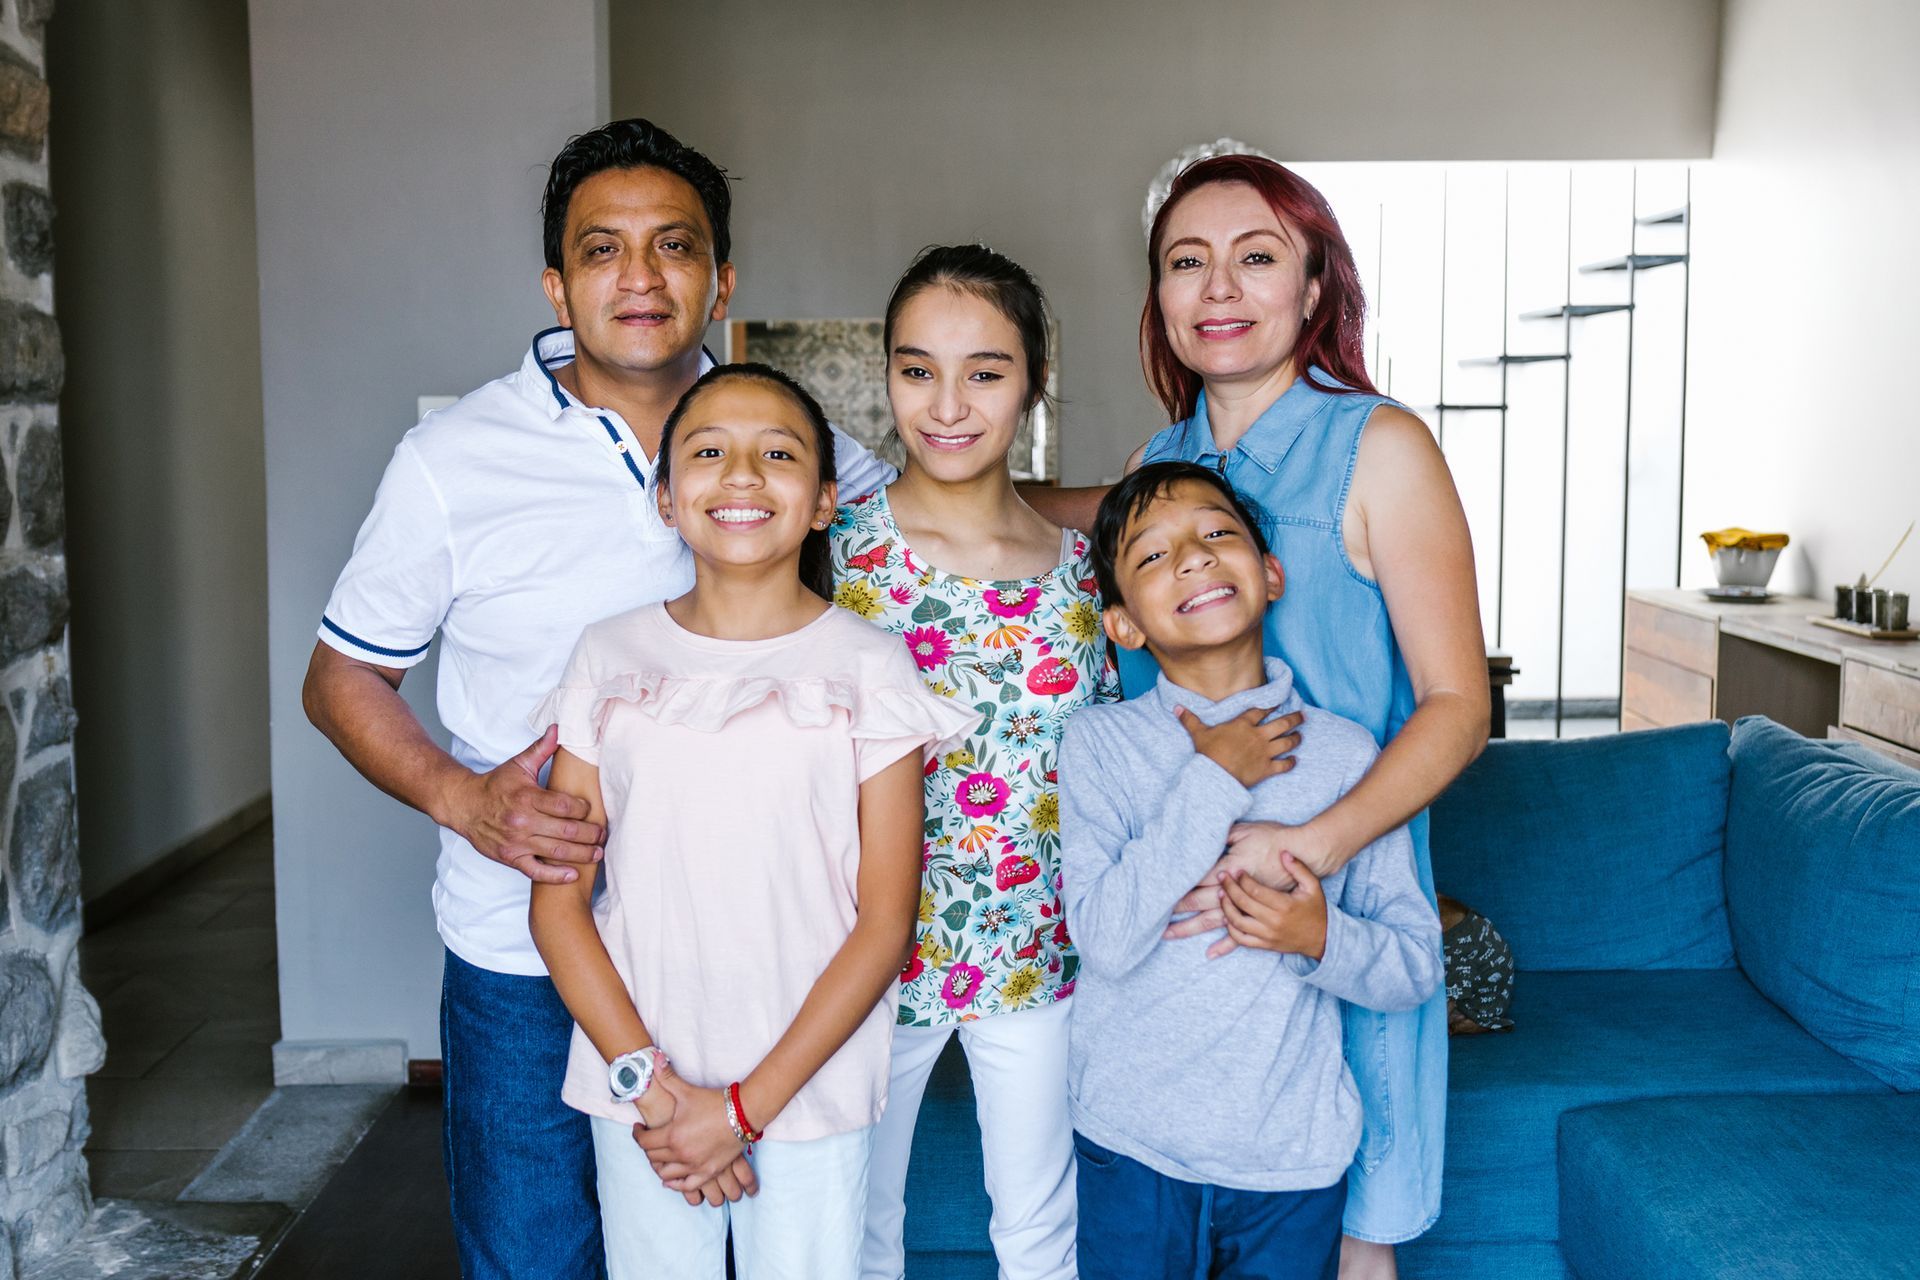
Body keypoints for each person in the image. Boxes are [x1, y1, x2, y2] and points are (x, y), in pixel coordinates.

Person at [299, 119, 902, 1276]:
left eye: (673, 246)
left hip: (750, 959)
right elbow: (340, 678)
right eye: (602, 249)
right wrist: (465, 798)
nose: (639, 276)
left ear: (721, 281)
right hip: (526, 951)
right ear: (554, 280)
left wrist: (1158, 506)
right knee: (538, 1256)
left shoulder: (777, 434)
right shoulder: (455, 458)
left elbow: (958, 518)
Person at [1125, 153, 1490, 1277]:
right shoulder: (1161, 462)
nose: (1219, 287)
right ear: (1161, 299)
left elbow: (1456, 706)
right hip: (1189, 939)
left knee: (1346, 1251)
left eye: (1256, 258)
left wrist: (1310, 847)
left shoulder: (1382, 447)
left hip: (1346, 907)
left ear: (1316, 287)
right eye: (1188, 262)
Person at [527, 363, 973, 1279]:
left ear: (819, 502)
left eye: (777, 453)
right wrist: (655, 1094)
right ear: (665, 498)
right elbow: (558, 905)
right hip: (644, 1098)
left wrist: (738, 1111)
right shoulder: (607, 654)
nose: (740, 474)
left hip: (808, 1090)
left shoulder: (869, 666)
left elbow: (885, 922)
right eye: (708, 451)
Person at [1059, 461, 1443, 1280]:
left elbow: (1414, 966)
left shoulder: (1346, 756)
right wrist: (1216, 778)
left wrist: (1320, 936)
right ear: (1124, 625)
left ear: (1270, 575)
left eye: (1217, 533)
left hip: (1290, 1162)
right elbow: (1105, 941)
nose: (1193, 558)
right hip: (1132, 1147)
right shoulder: (1100, 745)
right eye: (1152, 557)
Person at [831, 245, 1117, 1280]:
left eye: (985, 371)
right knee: (854, 1231)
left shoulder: (1087, 571)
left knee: (1041, 1234)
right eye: (917, 369)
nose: (947, 404)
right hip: (861, 953)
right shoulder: (833, 556)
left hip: (1039, 950)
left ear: (1034, 381)